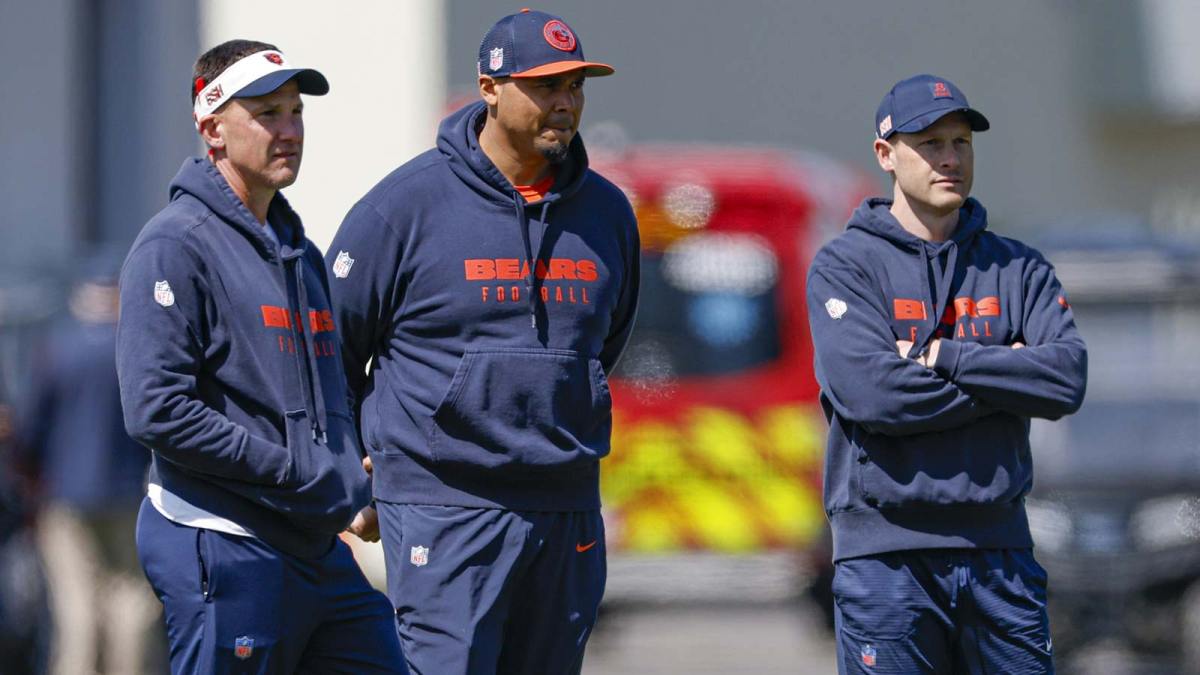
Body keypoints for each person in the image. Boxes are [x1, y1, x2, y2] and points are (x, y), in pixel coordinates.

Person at [326, 9, 639, 674]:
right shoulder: (404, 208)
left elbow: (599, 344)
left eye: (575, 86)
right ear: (489, 88)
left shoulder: (608, 212)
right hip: (445, 503)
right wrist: (350, 463)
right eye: (545, 86)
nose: (565, 103)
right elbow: (332, 351)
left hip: (565, 503)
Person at [116, 39, 404, 673]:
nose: (290, 130)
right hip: (222, 539)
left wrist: (351, 479)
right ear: (213, 127)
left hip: (313, 545)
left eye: (296, 111)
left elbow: (330, 393)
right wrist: (301, 473)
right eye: (267, 113)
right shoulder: (174, 246)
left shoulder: (301, 252)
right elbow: (157, 412)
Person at [806, 74, 1087, 674]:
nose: (950, 158)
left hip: (1001, 554)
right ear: (885, 154)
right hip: (886, 560)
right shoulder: (845, 266)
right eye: (930, 143)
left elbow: (1064, 380)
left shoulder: (1018, 267)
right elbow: (875, 396)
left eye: (961, 142)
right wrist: (1008, 380)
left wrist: (948, 357)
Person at [22, 254, 159, 674]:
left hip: (66, 496)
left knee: (75, 606)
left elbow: (31, 428)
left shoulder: (56, 347)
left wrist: (31, 480)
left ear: (82, 296)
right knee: (132, 602)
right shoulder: (139, 345)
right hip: (129, 494)